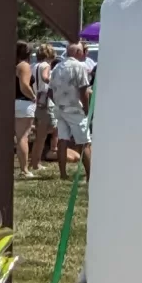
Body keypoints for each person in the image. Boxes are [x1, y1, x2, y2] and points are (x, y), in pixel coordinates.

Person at [49, 38, 94, 179]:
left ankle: (63, 173)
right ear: (78, 52)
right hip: (75, 109)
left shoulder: (57, 67)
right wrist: (86, 109)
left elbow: (50, 91)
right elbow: (83, 91)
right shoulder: (79, 67)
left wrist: (57, 102)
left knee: (63, 140)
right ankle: (90, 175)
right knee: (84, 142)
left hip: (60, 109)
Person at [31, 48, 57, 171]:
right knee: (44, 134)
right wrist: (55, 82)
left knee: (40, 135)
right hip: (45, 102)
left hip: (35, 100)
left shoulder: (33, 65)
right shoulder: (46, 65)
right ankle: (36, 163)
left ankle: (35, 160)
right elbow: (45, 77)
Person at [14, 46, 37, 175]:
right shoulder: (24, 66)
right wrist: (33, 96)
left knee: (14, 137)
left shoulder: (11, 64)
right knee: (23, 137)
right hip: (23, 103)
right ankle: (24, 169)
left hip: (11, 102)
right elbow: (24, 85)